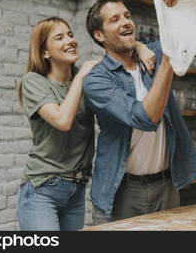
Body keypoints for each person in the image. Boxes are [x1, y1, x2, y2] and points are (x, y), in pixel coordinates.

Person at [16, 16, 156, 231]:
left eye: (70, 34)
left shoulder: (90, 78)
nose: (70, 40)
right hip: (43, 189)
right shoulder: (34, 82)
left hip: (77, 189)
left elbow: (117, 55)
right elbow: (62, 121)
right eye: (59, 37)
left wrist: (139, 45)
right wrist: (81, 76)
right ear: (45, 52)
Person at [83, 0, 196, 225]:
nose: (126, 21)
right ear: (99, 35)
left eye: (127, 15)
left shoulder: (154, 54)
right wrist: (168, 56)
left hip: (167, 184)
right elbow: (145, 118)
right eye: (114, 19)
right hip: (122, 189)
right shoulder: (97, 80)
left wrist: (176, 3)